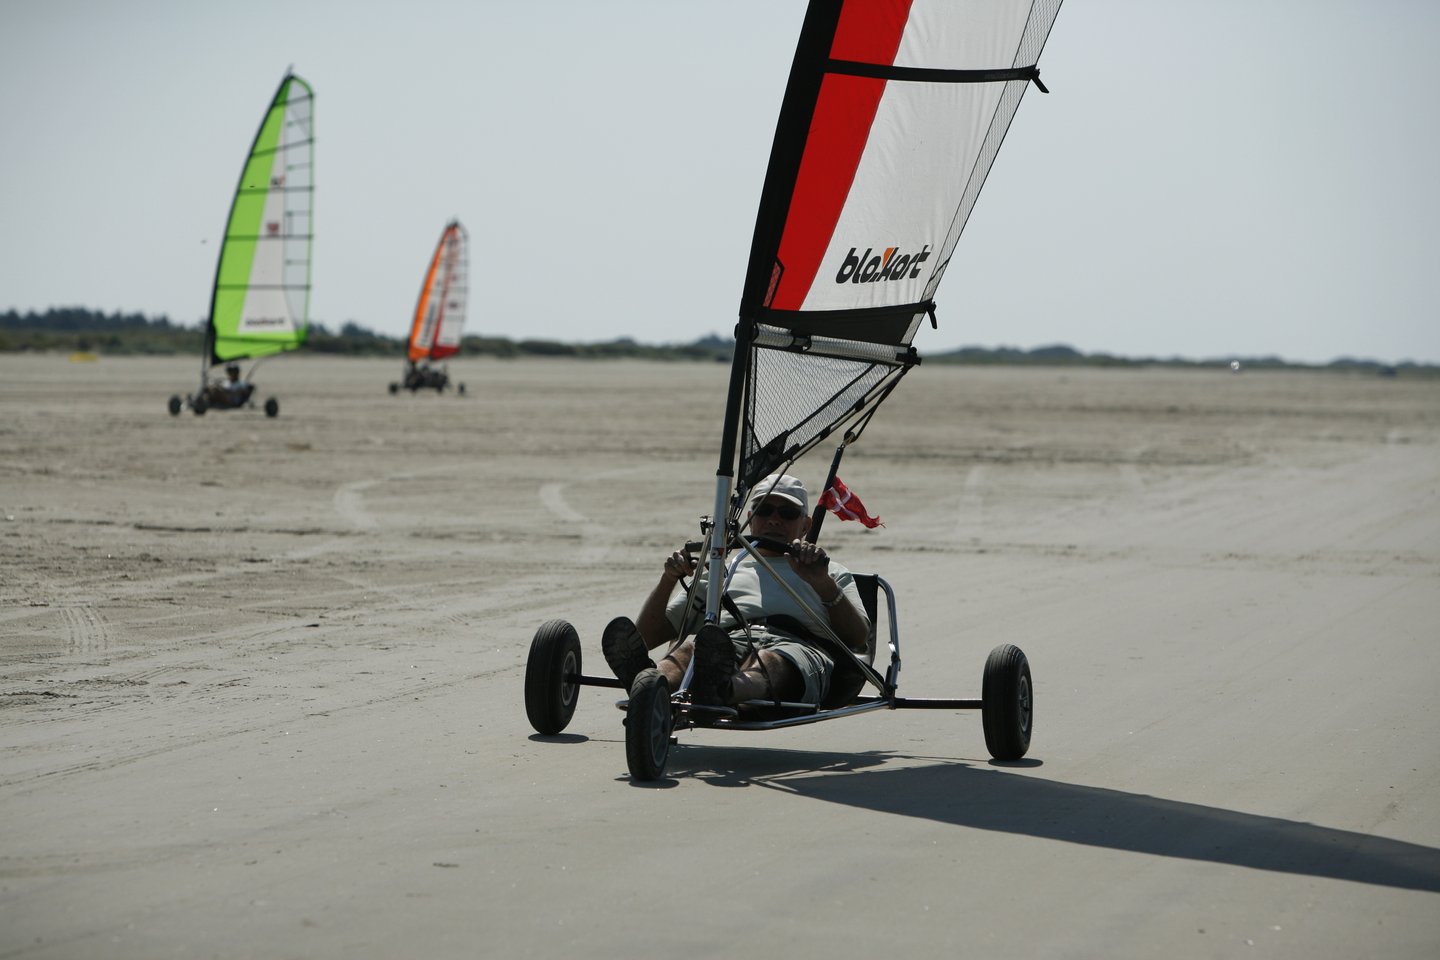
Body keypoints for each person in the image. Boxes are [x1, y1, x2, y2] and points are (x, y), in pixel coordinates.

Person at [602, 474, 870, 707]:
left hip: (798, 647)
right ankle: (650, 681)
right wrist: (668, 579)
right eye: (764, 511)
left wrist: (821, 583)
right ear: (750, 519)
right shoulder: (722, 569)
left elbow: (858, 637)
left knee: (768, 660)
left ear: (806, 525)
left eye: (787, 513)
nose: (774, 520)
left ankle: (722, 690)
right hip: (725, 643)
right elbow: (647, 638)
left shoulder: (830, 572)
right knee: (689, 648)